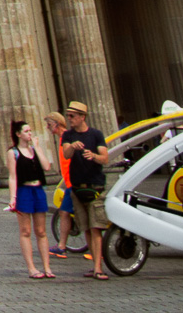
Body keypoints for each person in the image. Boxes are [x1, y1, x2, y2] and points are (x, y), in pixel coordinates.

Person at [59, 102, 111, 280]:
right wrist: (73, 147)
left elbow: (105, 158)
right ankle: (94, 265)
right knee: (87, 228)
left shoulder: (96, 134)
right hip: (77, 189)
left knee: (96, 228)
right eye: (68, 115)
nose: (69, 119)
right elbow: (66, 154)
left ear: (82, 117)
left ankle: (98, 268)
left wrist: (93, 156)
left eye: (72, 116)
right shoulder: (68, 135)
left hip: (95, 187)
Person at [6, 120, 54, 279]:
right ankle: (32, 268)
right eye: (26, 131)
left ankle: (47, 267)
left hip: (38, 190)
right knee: (25, 231)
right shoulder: (13, 152)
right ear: (18, 134)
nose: (30, 133)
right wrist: (13, 198)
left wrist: (38, 147)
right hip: (23, 191)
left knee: (41, 231)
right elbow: (13, 177)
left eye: (30, 131)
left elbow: (47, 167)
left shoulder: (34, 150)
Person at [42, 113, 76, 257]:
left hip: (73, 182)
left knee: (65, 212)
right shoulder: (64, 138)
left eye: (49, 125)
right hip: (69, 181)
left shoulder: (67, 138)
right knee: (66, 212)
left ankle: (62, 245)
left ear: (56, 124)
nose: (48, 128)